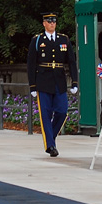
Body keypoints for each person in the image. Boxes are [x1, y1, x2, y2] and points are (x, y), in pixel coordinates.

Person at [26, 11, 78, 157]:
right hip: (43, 81)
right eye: (49, 22)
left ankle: (50, 138)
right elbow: (31, 64)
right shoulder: (37, 40)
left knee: (62, 112)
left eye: (54, 21)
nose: (52, 24)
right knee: (46, 114)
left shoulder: (64, 39)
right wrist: (32, 86)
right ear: (44, 23)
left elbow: (72, 62)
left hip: (59, 81)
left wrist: (74, 81)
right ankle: (50, 145)